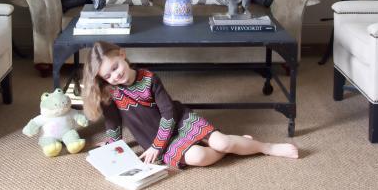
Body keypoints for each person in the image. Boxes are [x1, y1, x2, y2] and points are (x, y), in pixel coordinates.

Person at [82, 41, 299, 168]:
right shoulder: (110, 92)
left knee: (222, 142)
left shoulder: (150, 78)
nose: (115, 75)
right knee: (199, 157)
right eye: (108, 75)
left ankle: (265, 147)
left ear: (122, 54)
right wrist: (112, 143)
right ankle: (238, 144)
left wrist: (158, 146)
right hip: (154, 139)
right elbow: (113, 122)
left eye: (115, 66)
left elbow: (168, 114)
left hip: (179, 121)